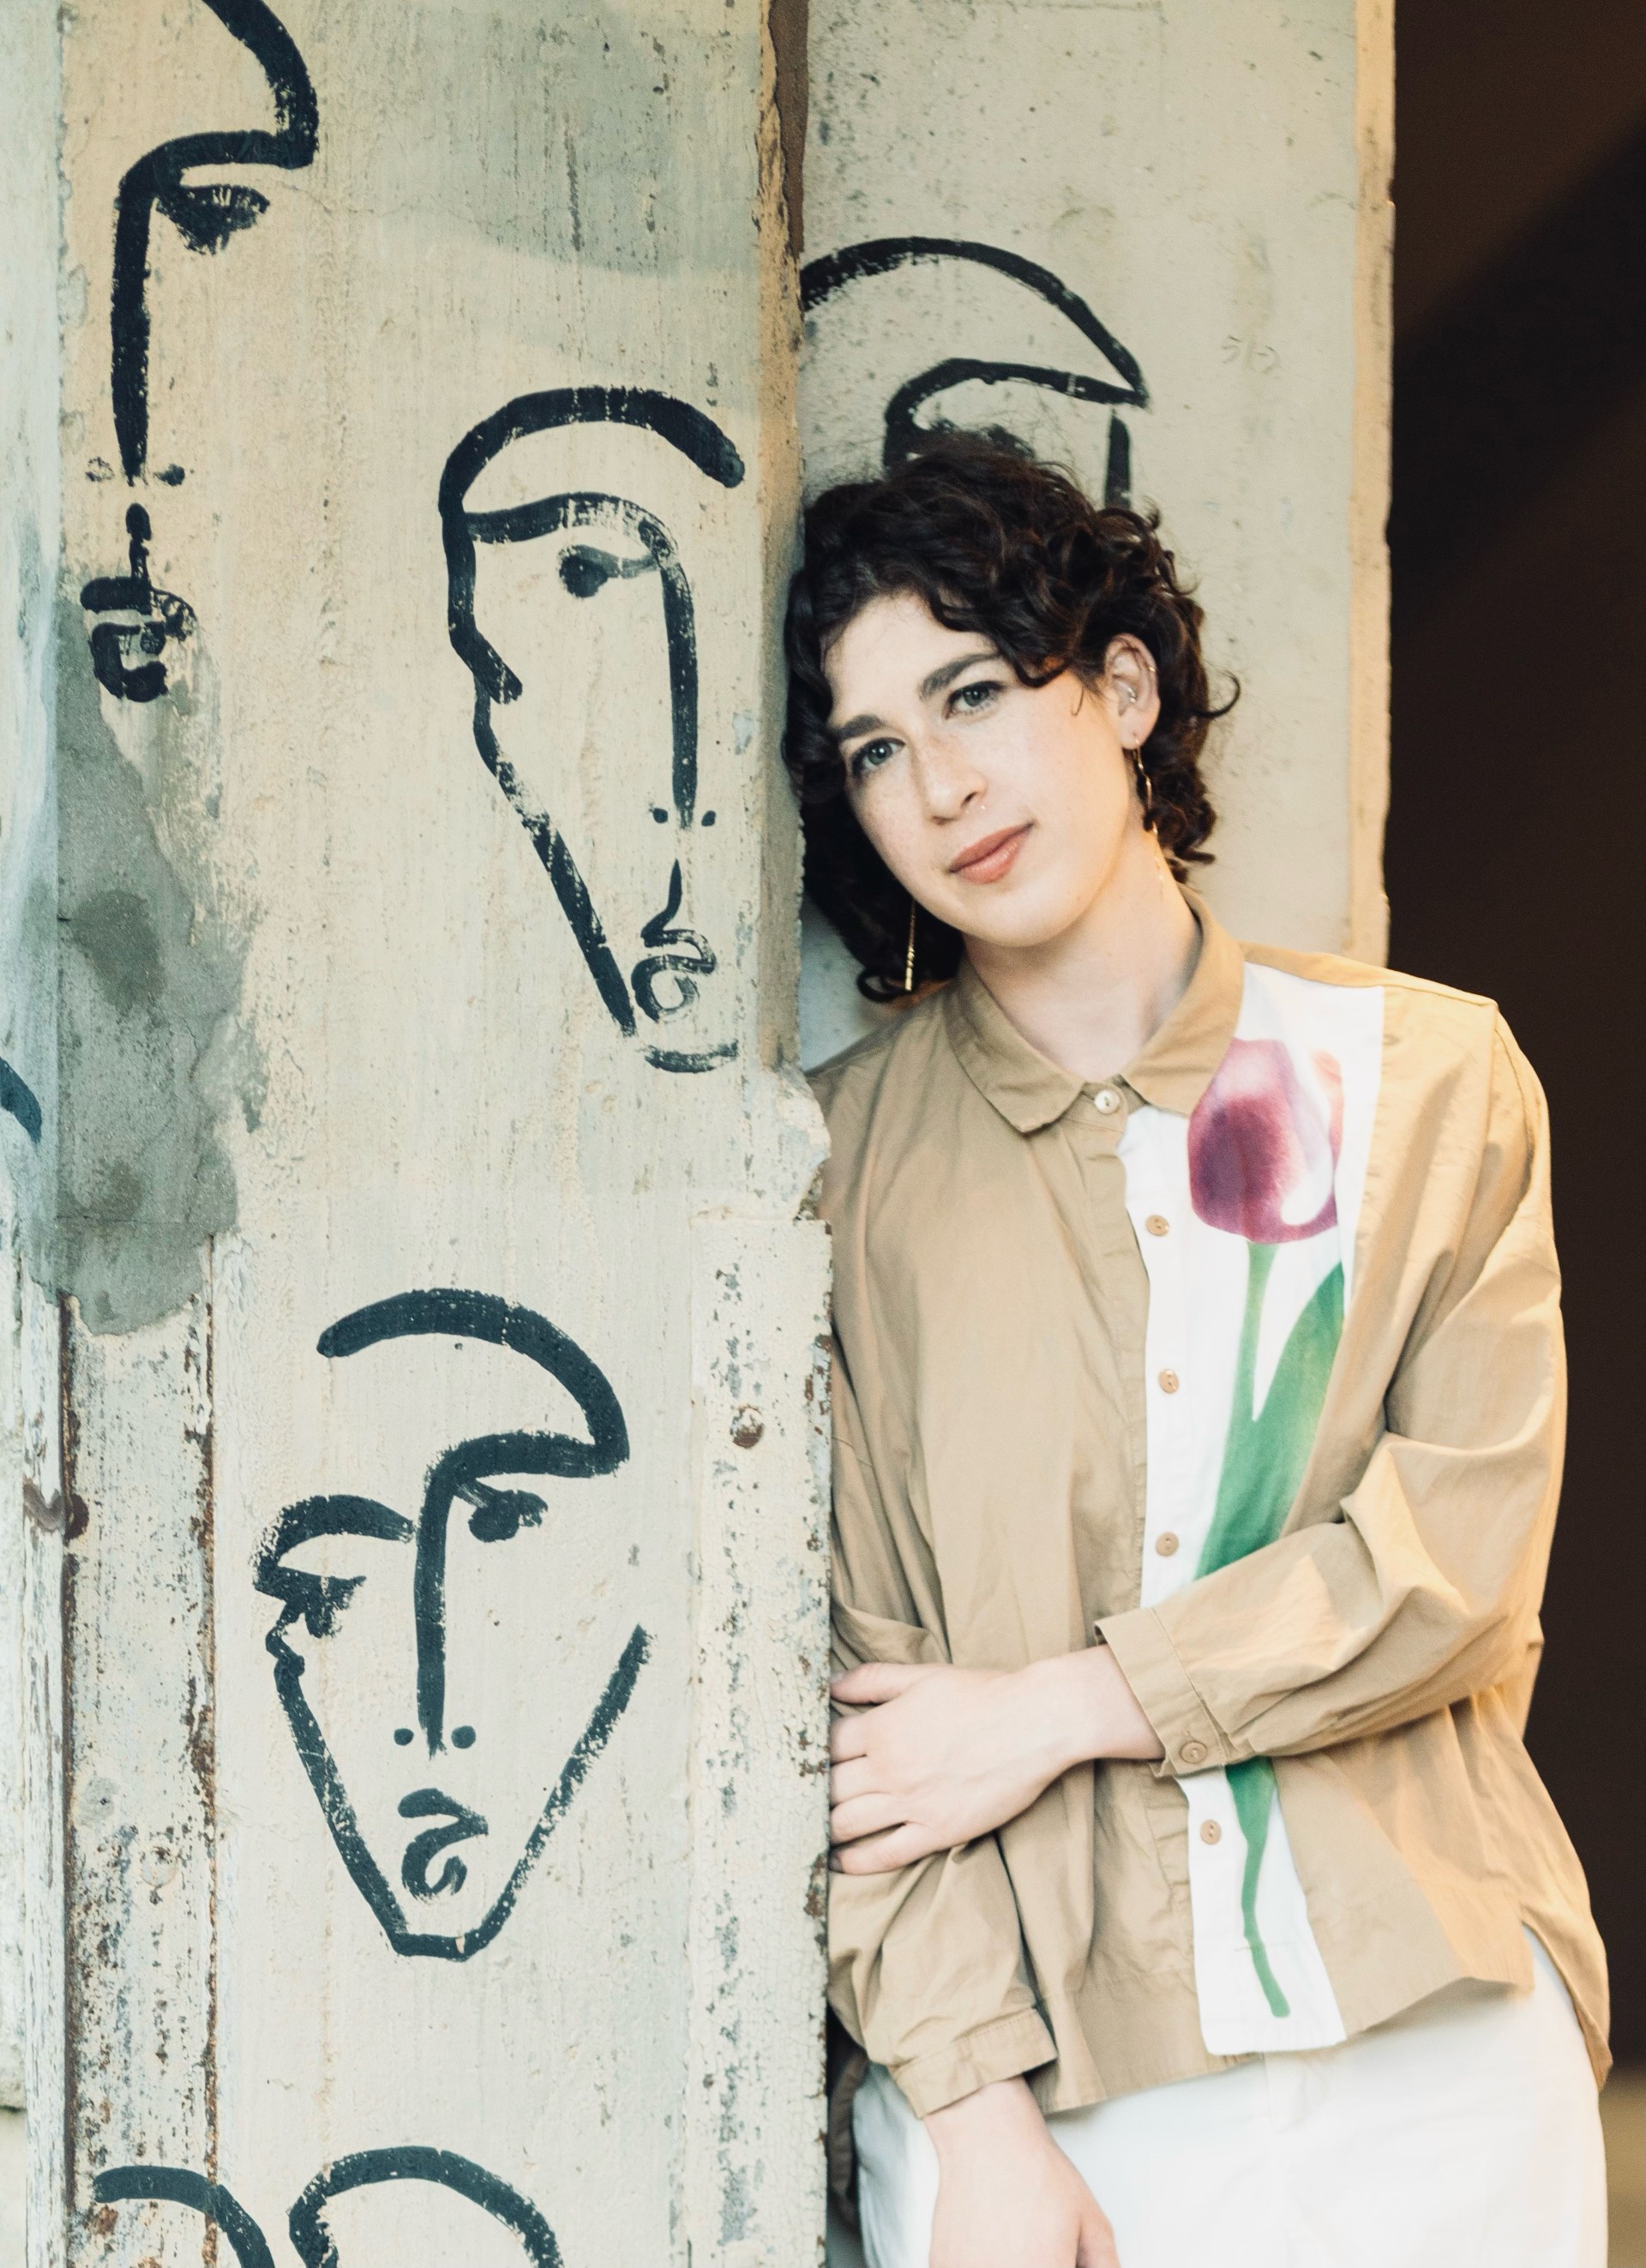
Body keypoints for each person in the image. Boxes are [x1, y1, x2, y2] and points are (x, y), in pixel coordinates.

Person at [784, 435, 1608, 2268]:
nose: (941, 784)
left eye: (978, 692)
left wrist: (1062, 1709)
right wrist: (971, 2125)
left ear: (1127, 686)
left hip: (1435, 2053)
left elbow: (1452, 1571)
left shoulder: (1424, 1084)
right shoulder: (828, 1176)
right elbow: (856, 1720)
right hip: (1059, 2111)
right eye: (874, 750)